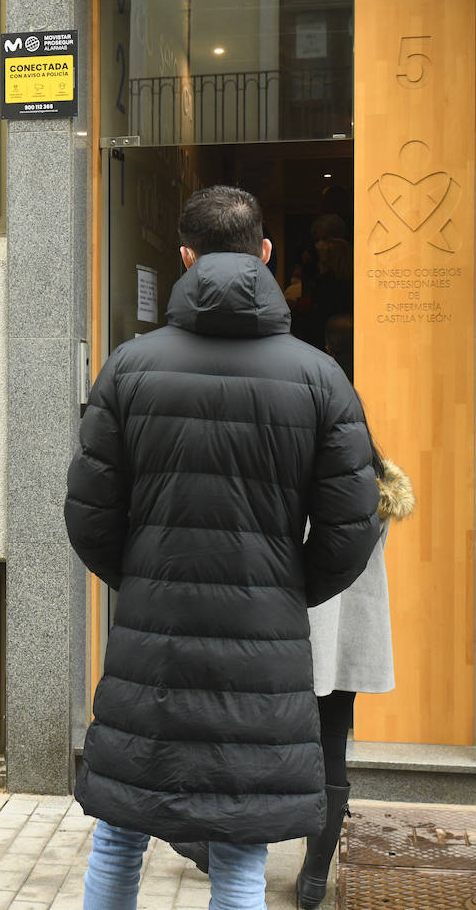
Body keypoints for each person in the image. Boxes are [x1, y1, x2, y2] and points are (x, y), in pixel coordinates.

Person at [65, 185, 382, 909]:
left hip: (154, 642)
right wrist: (284, 587)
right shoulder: (320, 376)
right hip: (262, 650)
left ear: (184, 258)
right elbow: (351, 526)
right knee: (242, 845)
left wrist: (144, 575)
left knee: (120, 832)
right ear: (266, 253)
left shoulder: (128, 367)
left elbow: (90, 514)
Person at [298, 447, 414, 907]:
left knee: (261, 733)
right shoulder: (374, 484)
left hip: (301, 627)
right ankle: (313, 876)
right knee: (331, 741)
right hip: (348, 633)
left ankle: (219, 843)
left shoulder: (305, 473)